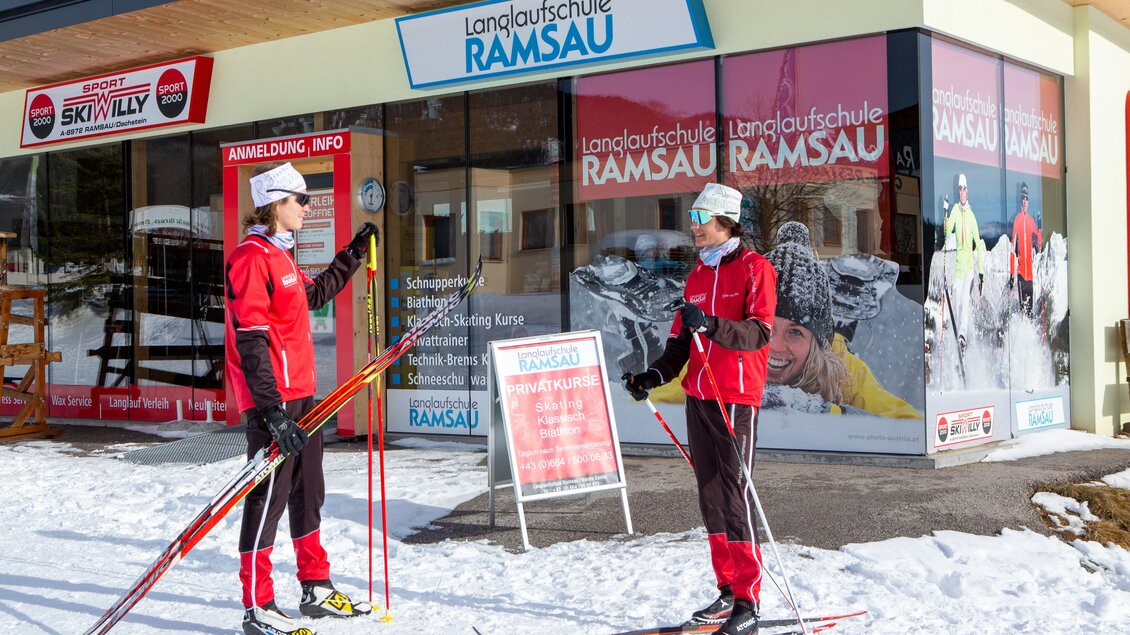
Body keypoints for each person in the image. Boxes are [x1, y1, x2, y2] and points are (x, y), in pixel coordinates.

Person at [225, 161, 378, 635]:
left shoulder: (281, 254)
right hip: (274, 402)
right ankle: (258, 605)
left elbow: (313, 295)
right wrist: (270, 412)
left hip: (303, 396)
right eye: (301, 199)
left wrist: (351, 254)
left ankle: (315, 586)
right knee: (266, 500)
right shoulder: (251, 257)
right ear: (276, 203)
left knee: (308, 492)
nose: (308, 208)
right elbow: (250, 338)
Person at [623, 182, 776, 635]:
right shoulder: (696, 276)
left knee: (735, 495)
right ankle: (727, 590)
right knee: (710, 495)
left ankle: (748, 600)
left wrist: (710, 324)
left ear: (725, 220)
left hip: (736, 398)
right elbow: (679, 343)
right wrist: (652, 376)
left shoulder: (755, 268)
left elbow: (759, 333)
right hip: (700, 397)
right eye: (691, 218)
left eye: (699, 218)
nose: (693, 227)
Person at [762, 222, 919, 419]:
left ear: (818, 341)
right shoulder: (727, 354)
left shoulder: (843, 371)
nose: (776, 346)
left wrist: (829, 413)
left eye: (795, 332)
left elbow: (909, 424)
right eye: (765, 327)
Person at [1010, 182, 1042, 317]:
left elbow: (1039, 246)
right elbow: (1012, 249)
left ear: (1028, 202)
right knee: (1023, 309)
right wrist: (1012, 274)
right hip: (1021, 273)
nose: (1024, 201)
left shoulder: (1031, 222)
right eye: (1023, 198)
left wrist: (1039, 229)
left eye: (1026, 198)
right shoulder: (1017, 220)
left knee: (1030, 311)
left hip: (1030, 276)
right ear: (1020, 201)